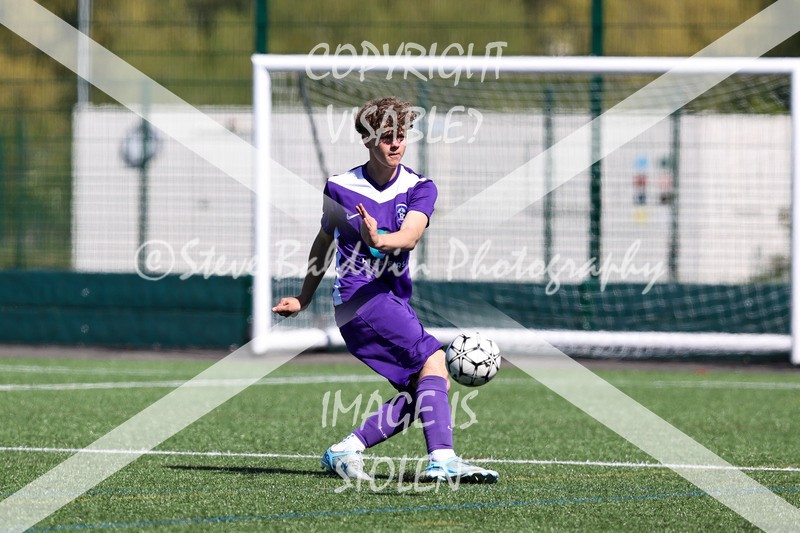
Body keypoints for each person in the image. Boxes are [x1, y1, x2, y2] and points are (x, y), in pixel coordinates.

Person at [272, 96, 498, 484]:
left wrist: (380, 237)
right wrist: (304, 297)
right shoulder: (340, 187)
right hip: (358, 298)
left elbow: (409, 237)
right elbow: (324, 240)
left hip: (391, 299)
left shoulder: (420, 187)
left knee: (426, 386)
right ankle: (442, 461)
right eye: (386, 137)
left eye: (401, 136)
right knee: (435, 361)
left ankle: (346, 450)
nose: (395, 144)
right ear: (367, 139)